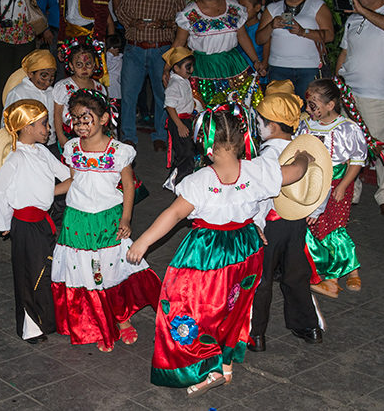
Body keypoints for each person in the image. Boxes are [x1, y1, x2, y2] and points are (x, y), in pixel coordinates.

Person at [127, 107, 313, 395]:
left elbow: (173, 215)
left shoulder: (200, 181)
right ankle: (225, 363)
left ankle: (206, 366)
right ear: (241, 142)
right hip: (246, 249)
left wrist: (143, 242)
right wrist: (305, 155)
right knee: (232, 306)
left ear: (207, 146)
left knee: (185, 307)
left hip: (208, 255)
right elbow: (295, 172)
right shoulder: (257, 170)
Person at [52, 89, 161, 352]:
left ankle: (122, 318)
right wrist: (43, 193)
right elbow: (72, 180)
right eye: (76, 119)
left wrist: (126, 217)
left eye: (86, 118)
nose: (79, 125)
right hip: (77, 220)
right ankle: (97, 323)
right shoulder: (71, 148)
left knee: (111, 272)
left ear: (103, 119)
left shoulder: (118, 151)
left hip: (108, 219)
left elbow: (128, 185)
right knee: (85, 272)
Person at [248, 80, 325, 352]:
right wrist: (314, 210)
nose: (257, 125)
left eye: (260, 120)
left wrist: (253, 225)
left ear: (274, 125)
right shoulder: (304, 148)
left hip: (270, 226)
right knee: (296, 274)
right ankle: (309, 326)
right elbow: (320, 180)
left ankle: (255, 334)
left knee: (262, 279)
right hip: (296, 224)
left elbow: (260, 197)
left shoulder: (266, 158)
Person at [0, 99, 72, 343]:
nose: (48, 129)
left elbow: (67, 175)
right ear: (26, 127)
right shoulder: (15, 159)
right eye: (44, 124)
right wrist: (2, 224)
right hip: (25, 224)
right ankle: (30, 328)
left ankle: (47, 320)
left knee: (46, 270)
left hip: (44, 221)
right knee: (29, 275)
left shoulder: (43, 152)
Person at [335, 0, 384, 215]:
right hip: (349, 91)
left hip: (378, 94)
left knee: (382, 147)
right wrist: (337, 83)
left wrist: (362, 10)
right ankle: (353, 190)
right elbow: (344, 52)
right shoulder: (353, 18)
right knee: (350, 145)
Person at [299, 79, 367, 298]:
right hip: (311, 180)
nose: (310, 108)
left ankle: (335, 278)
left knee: (334, 227)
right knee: (314, 226)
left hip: (337, 181)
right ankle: (334, 270)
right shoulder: (306, 123)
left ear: (330, 105)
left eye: (315, 104)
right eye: (309, 103)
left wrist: (344, 185)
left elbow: (357, 160)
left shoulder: (347, 128)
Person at [168, 0, 266, 113]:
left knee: (236, 111)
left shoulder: (235, 9)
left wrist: (256, 62)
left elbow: (242, 36)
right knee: (206, 113)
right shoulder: (189, 14)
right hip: (202, 67)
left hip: (232, 65)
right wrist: (167, 68)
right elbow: (179, 43)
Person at [117, 0, 184, 150]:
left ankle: (160, 136)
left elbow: (181, 22)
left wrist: (163, 24)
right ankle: (128, 136)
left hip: (160, 50)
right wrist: (132, 22)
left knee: (162, 95)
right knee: (128, 95)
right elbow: (120, 12)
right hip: (135, 49)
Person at [255, 0, 335, 98]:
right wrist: (271, 26)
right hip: (278, 67)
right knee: (279, 112)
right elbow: (259, 39)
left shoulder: (317, 6)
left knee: (308, 110)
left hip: (309, 68)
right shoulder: (273, 8)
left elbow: (329, 35)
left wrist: (303, 32)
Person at [53, 39, 109, 148]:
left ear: (94, 65)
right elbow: (57, 114)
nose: (84, 68)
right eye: (79, 64)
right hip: (71, 136)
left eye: (88, 64)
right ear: (71, 66)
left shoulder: (99, 88)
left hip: (94, 136)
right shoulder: (63, 87)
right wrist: (60, 137)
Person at [2, 50, 58, 151]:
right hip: (27, 146)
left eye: (52, 77)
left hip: (50, 143)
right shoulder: (18, 93)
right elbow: (7, 122)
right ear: (30, 74)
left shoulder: (52, 92)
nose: (48, 81)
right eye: (44, 76)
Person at [162, 47, 196, 190]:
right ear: (176, 68)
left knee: (184, 152)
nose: (191, 70)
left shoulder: (183, 80)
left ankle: (174, 181)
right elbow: (170, 107)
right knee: (186, 153)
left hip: (185, 120)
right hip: (179, 121)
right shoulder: (175, 84)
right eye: (188, 67)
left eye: (192, 66)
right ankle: (180, 184)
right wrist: (180, 125)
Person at [235, 0, 265, 78]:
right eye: (238, 7)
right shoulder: (238, 29)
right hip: (239, 75)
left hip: (257, 76)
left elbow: (266, 58)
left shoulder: (262, 29)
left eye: (244, 7)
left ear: (257, 8)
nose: (241, 11)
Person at [105, 33, 123, 102]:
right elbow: (108, 67)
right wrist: (110, 54)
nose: (117, 50)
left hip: (118, 84)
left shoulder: (120, 57)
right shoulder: (107, 58)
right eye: (115, 48)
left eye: (118, 48)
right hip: (111, 86)